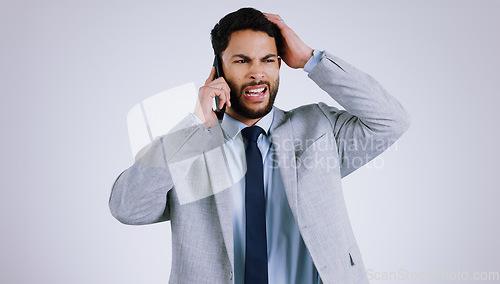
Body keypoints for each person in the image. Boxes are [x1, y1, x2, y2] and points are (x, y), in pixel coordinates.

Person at [109, 7, 410, 284]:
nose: (257, 72)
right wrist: (196, 125)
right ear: (218, 69)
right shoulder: (190, 147)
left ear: (279, 65)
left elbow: (390, 120)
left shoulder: (318, 128)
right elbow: (127, 208)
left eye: (267, 60)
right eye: (242, 61)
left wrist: (310, 59)